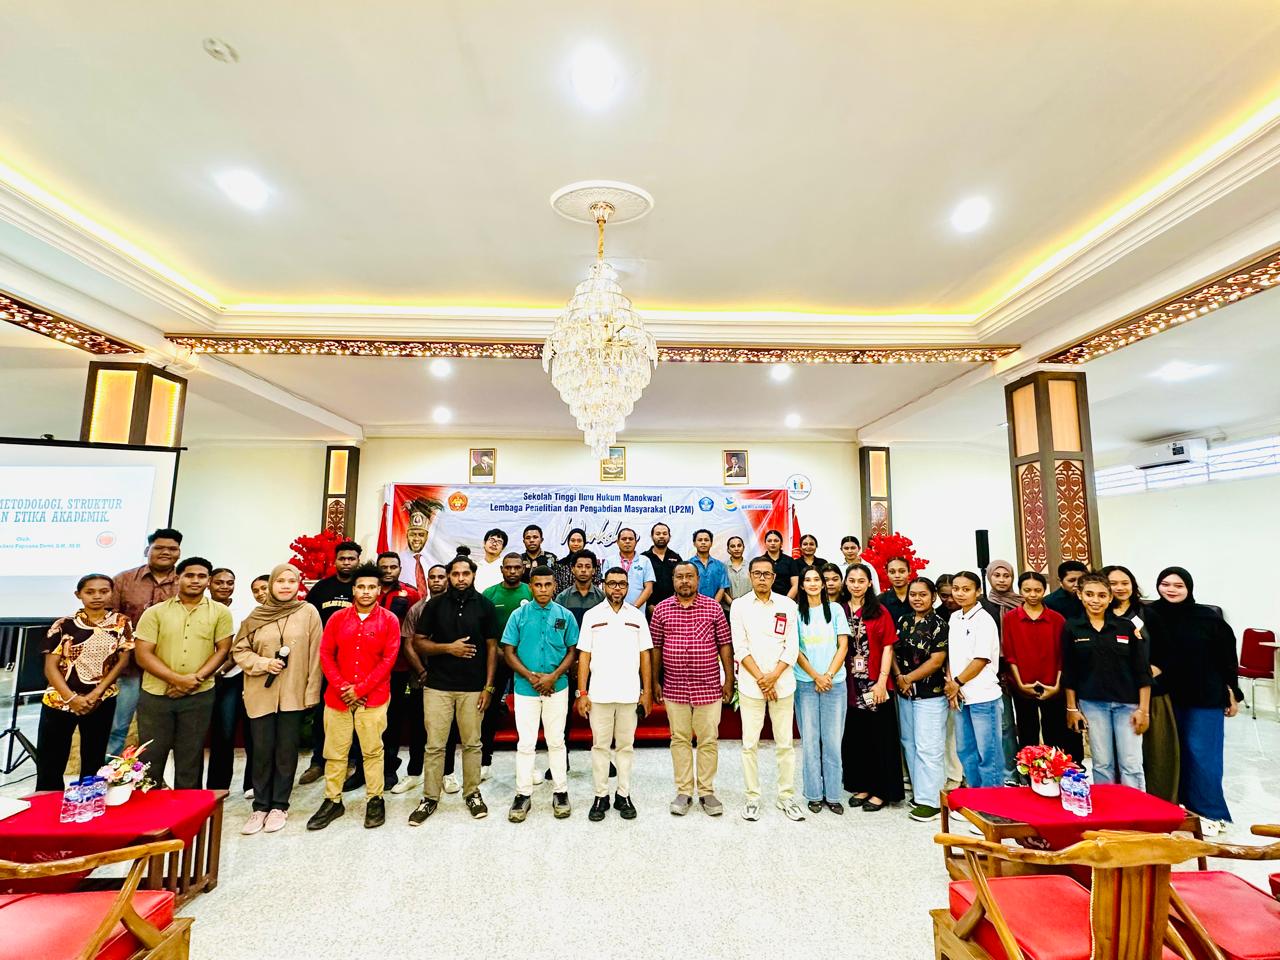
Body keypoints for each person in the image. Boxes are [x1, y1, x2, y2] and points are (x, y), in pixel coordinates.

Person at [1144, 566, 1240, 835]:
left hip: (1204, 695)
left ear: (1189, 588)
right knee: (1170, 754)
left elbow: (1226, 657)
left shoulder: (1207, 617)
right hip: (1165, 696)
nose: (1171, 590)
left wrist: (1232, 691)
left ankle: (1210, 813)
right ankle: (1175, 808)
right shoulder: (1148, 615)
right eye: (1165, 584)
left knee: (1203, 755)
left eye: (1178, 585)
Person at [231, 564, 323, 835]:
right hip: (261, 692)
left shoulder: (308, 612)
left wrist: (312, 691)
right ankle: (260, 806)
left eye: (291, 581)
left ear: (298, 585)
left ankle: (279, 806)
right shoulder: (256, 616)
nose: (285, 586)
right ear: (271, 585)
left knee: (286, 751)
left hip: (294, 693)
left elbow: (316, 654)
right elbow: (240, 650)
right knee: (261, 750)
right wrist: (263, 663)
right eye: (280, 581)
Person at [307, 563, 400, 831]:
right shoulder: (337, 619)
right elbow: (326, 655)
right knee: (335, 752)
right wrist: (343, 687)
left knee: (372, 751)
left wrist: (359, 690)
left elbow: (388, 660)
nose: (366, 591)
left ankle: (375, 799)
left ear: (379, 590)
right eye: (361, 587)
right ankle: (332, 800)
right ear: (353, 590)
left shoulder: (389, 620)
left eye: (372, 587)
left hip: (374, 698)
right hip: (338, 698)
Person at [409, 554, 499, 825]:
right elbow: (418, 643)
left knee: (472, 744)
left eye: (465, 573)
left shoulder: (485, 605)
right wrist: (449, 648)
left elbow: (492, 648)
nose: (461, 578)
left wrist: (489, 687)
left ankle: (472, 793)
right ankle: (429, 797)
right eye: (456, 574)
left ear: (473, 575)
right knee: (435, 745)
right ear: (449, 576)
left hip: (473, 688)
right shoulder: (434, 605)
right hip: (438, 687)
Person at [133, 557, 232, 789]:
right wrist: (178, 680)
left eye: (201, 576)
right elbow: (143, 654)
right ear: (178, 578)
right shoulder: (155, 612)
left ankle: (189, 810)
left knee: (191, 756)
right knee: (151, 756)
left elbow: (222, 650)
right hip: (156, 695)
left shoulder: (220, 613)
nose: (195, 580)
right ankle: (150, 807)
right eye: (189, 575)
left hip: (199, 695)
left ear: (208, 580)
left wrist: (195, 681)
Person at [35, 574, 133, 792]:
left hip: (101, 699)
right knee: (51, 760)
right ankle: (47, 804)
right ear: (78, 594)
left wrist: (96, 693)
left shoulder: (121, 622)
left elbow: (122, 661)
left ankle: (88, 803)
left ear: (111, 593)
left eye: (103, 591)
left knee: (94, 758)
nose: (97, 596)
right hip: (60, 700)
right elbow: (50, 667)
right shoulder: (64, 624)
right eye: (90, 592)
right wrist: (72, 698)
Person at [650, 561, 733, 817]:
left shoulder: (713, 607)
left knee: (708, 740)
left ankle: (706, 791)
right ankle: (684, 791)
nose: (685, 581)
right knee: (679, 739)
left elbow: (725, 644)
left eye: (689, 576)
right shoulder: (662, 609)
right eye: (680, 577)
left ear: (698, 580)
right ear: (673, 580)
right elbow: (656, 648)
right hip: (674, 687)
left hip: (708, 686)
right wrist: (655, 681)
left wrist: (729, 679)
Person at [576, 566, 654, 821]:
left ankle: (623, 794)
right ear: (604, 585)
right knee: (600, 746)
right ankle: (601, 795)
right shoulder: (592, 615)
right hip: (599, 694)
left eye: (622, 583)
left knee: (626, 747)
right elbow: (584, 655)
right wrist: (582, 692)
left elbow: (645, 655)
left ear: (627, 587)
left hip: (629, 694)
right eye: (612, 583)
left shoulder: (637, 616)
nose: (617, 588)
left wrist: (646, 691)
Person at [340, 552, 422, 794]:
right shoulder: (365, 592)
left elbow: (413, 632)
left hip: (397, 668)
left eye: (393, 567)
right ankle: (361, 770)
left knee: (391, 720)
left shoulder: (410, 594)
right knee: (361, 720)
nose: (388, 571)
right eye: (383, 566)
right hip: (363, 670)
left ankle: (388, 768)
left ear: (400, 569)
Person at [730, 559, 804, 821]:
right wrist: (762, 679)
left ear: (773, 577)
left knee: (785, 744)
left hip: (782, 684)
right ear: (750, 576)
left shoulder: (788, 605)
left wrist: (772, 678)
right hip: (752, 685)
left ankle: (786, 797)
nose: (762, 578)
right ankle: (752, 797)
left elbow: (792, 648)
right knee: (749, 744)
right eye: (757, 574)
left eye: (767, 574)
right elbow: (740, 648)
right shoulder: (739, 606)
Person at [502, 567, 578, 822]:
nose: (543, 589)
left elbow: (572, 651)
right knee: (526, 743)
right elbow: (508, 652)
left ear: (555, 586)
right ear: (531, 586)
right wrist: (531, 676)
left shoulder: (565, 616)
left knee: (556, 741)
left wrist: (553, 676)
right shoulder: (518, 615)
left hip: (557, 687)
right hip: (525, 689)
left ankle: (561, 792)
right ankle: (523, 794)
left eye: (547, 584)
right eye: (538, 585)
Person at [1062, 573, 1151, 790]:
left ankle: (1135, 808)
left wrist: (1144, 710)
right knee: (1102, 763)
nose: (1095, 600)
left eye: (1102, 595)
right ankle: (1108, 807)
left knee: (1131, 763)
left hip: (1128, 705)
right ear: (1080, 595)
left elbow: (1142, 671)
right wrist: (1071, 708)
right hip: (1092, 704)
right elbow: (1069, 670)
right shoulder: (1072, 627)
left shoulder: (1126, 627)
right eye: (1089, 594)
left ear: (1110, 598)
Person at [1103, 563, 1178, 803]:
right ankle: (1115, 802)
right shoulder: (1099, 615)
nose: (1120, 588)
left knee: (1153, 754)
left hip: (1150, 696)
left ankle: (1155, 803)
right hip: (1111, 695)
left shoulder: (1148, 614)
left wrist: (1143, 676)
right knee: (1112, 757)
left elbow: (1167, 653)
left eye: (1125, 583)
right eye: (1113, 583)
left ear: (1133, 586)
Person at [108, 527, 182, 756]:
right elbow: (109, 620)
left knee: (158, 730)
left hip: (166, 668)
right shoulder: (123, 580)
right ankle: (108, 773)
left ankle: (150, 774)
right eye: (159, 548)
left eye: (172, 548)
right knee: (118, 727)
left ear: (179, 552)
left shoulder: (184, 582)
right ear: (147, 550)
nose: (166, 552)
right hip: (127, 668)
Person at [298, 540, 362, 784]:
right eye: (342, 559)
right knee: (323, 713)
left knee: (354, 712)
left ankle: (350, 760)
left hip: (355, 662)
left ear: (358, 561)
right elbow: (307, 623)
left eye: (351, 559)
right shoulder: (321, 588)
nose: (346, 563)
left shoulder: (362, 588)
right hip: (324, 662)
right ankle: (318, 761)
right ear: (335, 561)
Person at [842, 563, 903, 810]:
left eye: (861, 581)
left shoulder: (879, 611)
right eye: (852, 580)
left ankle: (881, 791)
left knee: (880, 738)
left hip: (875, 683)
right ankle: (863, 785)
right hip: (850, 686)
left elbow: (888, 647)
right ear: (846, 583)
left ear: (869, 583)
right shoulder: (840, 609)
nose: (856, 585)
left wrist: (881, 682)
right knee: (857, 738)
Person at [1002, 572, 1079, 758]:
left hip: (1053, 686)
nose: (1033, 594)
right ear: (1020, 590)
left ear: (1045, 590)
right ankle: (1029, 773)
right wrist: (1021, 684)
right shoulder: (1010, 618)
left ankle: (1055, 771)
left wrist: (1057, 685)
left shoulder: (1057, 619)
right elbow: (1010, 654)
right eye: (1027, 590)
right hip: (1023, 686)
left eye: (1038, 590)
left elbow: (1062, 655)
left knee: (1055, 733)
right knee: (1027, 733)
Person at [793, 567, 849, 815]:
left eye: (817, 579)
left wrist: (828, 675)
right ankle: (814, 794)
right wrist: (816, 676)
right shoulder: (796, 613)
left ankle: (834, 795)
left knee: (833, 742)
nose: (813, 583)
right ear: (802, 585)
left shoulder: (835, 610)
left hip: (834, 684)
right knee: (810, 741)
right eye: (808, 580)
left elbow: (843, 645)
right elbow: (795, 649)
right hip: (806, 683)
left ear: (824, 584)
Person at [892, 576, 949, 821]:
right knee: (909, 743)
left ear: (933, 596)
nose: (917, 599)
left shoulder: (940, 624)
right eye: (913, 594)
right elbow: (892, 651)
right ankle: (919, 794)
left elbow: (937, 661)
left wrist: (908, 678)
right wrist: (899, 677)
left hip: (930, 694)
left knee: (929, 747)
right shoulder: (903, 621)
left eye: (923, 594)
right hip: (905, 692)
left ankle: (932, 802)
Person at [944, 571, 1004, 789]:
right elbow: (952, 655)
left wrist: (956, 683)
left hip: (983, 696)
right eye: (956, 589)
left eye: (966, 589)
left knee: (988, 754)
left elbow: (981, 659)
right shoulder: (955, 617)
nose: (960, 593)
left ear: (978, 591)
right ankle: (975, 798)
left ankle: (993, 802)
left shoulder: (984, 620)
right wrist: (951, 682)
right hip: (960, 696)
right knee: (965, 751)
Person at [207, 566, 252, 795]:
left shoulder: (243, 611)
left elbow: (241, 647)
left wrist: (223, 669)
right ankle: (214, 788)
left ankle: (241, 785)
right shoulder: (202, 609)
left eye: (229, 582)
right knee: (217, 735)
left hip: (235, 676)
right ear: (209, 584)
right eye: (219, 582)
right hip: (203, 678)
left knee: (239, 733)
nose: (225, 586)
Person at [604, 528, 654, 610]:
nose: (627, 541)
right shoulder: (609, 561)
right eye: (624, 539)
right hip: (613, 610)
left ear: (636, 542)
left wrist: (634, 608)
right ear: (617, 542)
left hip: (638, 611)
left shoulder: (645, 561)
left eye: (630, 539)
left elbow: (649, 589)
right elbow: (605, 587)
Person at [642, 522, 682, 614]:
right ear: (652, 536)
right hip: (649, 608)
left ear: (669, 537)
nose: (661, 536)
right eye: (658, 534)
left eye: (664, 533)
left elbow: (680, 581)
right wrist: (649, 604)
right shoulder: (644, 558)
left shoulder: (676, 557)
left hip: (673, 607)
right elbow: (640, 583)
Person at [689, 529, 729, 605]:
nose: (703, 542)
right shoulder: (688, 565)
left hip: (714, 606)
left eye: (706, 540)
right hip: (693, 606)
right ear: (694, 543)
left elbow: (722, 588)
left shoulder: (720, 565)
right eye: (700, 540)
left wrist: (713, 605)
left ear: (711, 543)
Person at [761, 529, 798, 599]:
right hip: (765, 600)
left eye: (776, 541)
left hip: (786, 599)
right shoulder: (760, 561)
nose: (772, 543)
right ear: (765, 543)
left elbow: (795, 585)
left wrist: (786, 601)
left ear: (781, 543)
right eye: (769, 541)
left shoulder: (790, 561)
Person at [553, 528, 591, 594]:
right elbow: (557, 589)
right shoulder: (560, 565)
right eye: (573, 541)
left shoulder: (591, 564)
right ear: (568, 542)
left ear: (584, 543)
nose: (576, 544)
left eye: (579, 541)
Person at [878, 557, 912, 626]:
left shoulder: (917, 597)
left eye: (902, 571)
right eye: (892, 572)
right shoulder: (880, 600)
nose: (897, 576)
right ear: (887, 573)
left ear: (909, 571)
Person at [723, 535, 752, 608]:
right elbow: (721, 589)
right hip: (728, 609)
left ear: (743, 548)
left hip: (748, 607)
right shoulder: (722, 567)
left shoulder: (751, 566)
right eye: (733, 546)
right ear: (728, 550)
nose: (736, 549)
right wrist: (733, 604)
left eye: (739, 546)